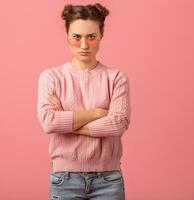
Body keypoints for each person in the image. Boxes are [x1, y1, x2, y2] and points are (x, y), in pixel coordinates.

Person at [37, 3, 131, 200]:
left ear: (101, 35)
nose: (84, 45)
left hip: (108, 179)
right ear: (67, 36)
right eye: (76, 37)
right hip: (64, 179)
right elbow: (48, 122)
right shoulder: (51, 77)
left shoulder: (116, 78)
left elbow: (118, 124)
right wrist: (97, 113)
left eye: (91, 37)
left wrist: (66, 122)